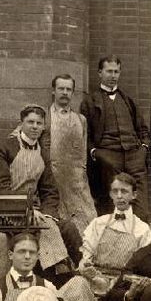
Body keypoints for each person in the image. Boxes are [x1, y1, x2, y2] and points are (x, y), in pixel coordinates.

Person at [58, 173, 151, 301]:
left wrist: (116, 284)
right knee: (76, 285)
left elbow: (141, 266)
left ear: (134, 195)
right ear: (110, 194)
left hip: (121, 284)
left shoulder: (143, 230)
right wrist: (86, 266)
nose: (120, 196)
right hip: (96, 278)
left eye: (124, 191)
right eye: (115, 191)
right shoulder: (98, 223)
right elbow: (87, 253)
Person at [0, 104, 81, 282]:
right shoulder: (2, 148)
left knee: (68, 228)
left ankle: (85, 272)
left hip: (37, 212)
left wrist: (47, 214)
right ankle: (56, 277)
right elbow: (0, 189)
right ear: (21, 123)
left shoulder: (43, 153)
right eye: (30, 122)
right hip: (8, 211)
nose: (34, 127)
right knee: (40, 232)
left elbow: (50, 191)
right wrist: (28, 210)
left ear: (44, 126)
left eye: (39, 123)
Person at [81, 55, 151, 218]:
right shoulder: (90, 101)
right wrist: (95, 153)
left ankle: (140, 236)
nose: (113, 76)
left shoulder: (128, 100)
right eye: (109, 71)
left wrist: (144, 150)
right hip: (108, 155)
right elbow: (85, 134)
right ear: (100, 73)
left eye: (116, 72)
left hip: (134, 155)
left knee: (140, 201)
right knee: (114, 198)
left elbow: (143, 130)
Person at [41, 74, 97, 235]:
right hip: (54, 178)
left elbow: (83, 152)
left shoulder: (81, 120)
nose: (65, 92)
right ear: (53, 91)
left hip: (77, 181)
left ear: (72, 92)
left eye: (68, 89)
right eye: (61, 89)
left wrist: (82, 172)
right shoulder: (44, 117)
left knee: (87, 221)